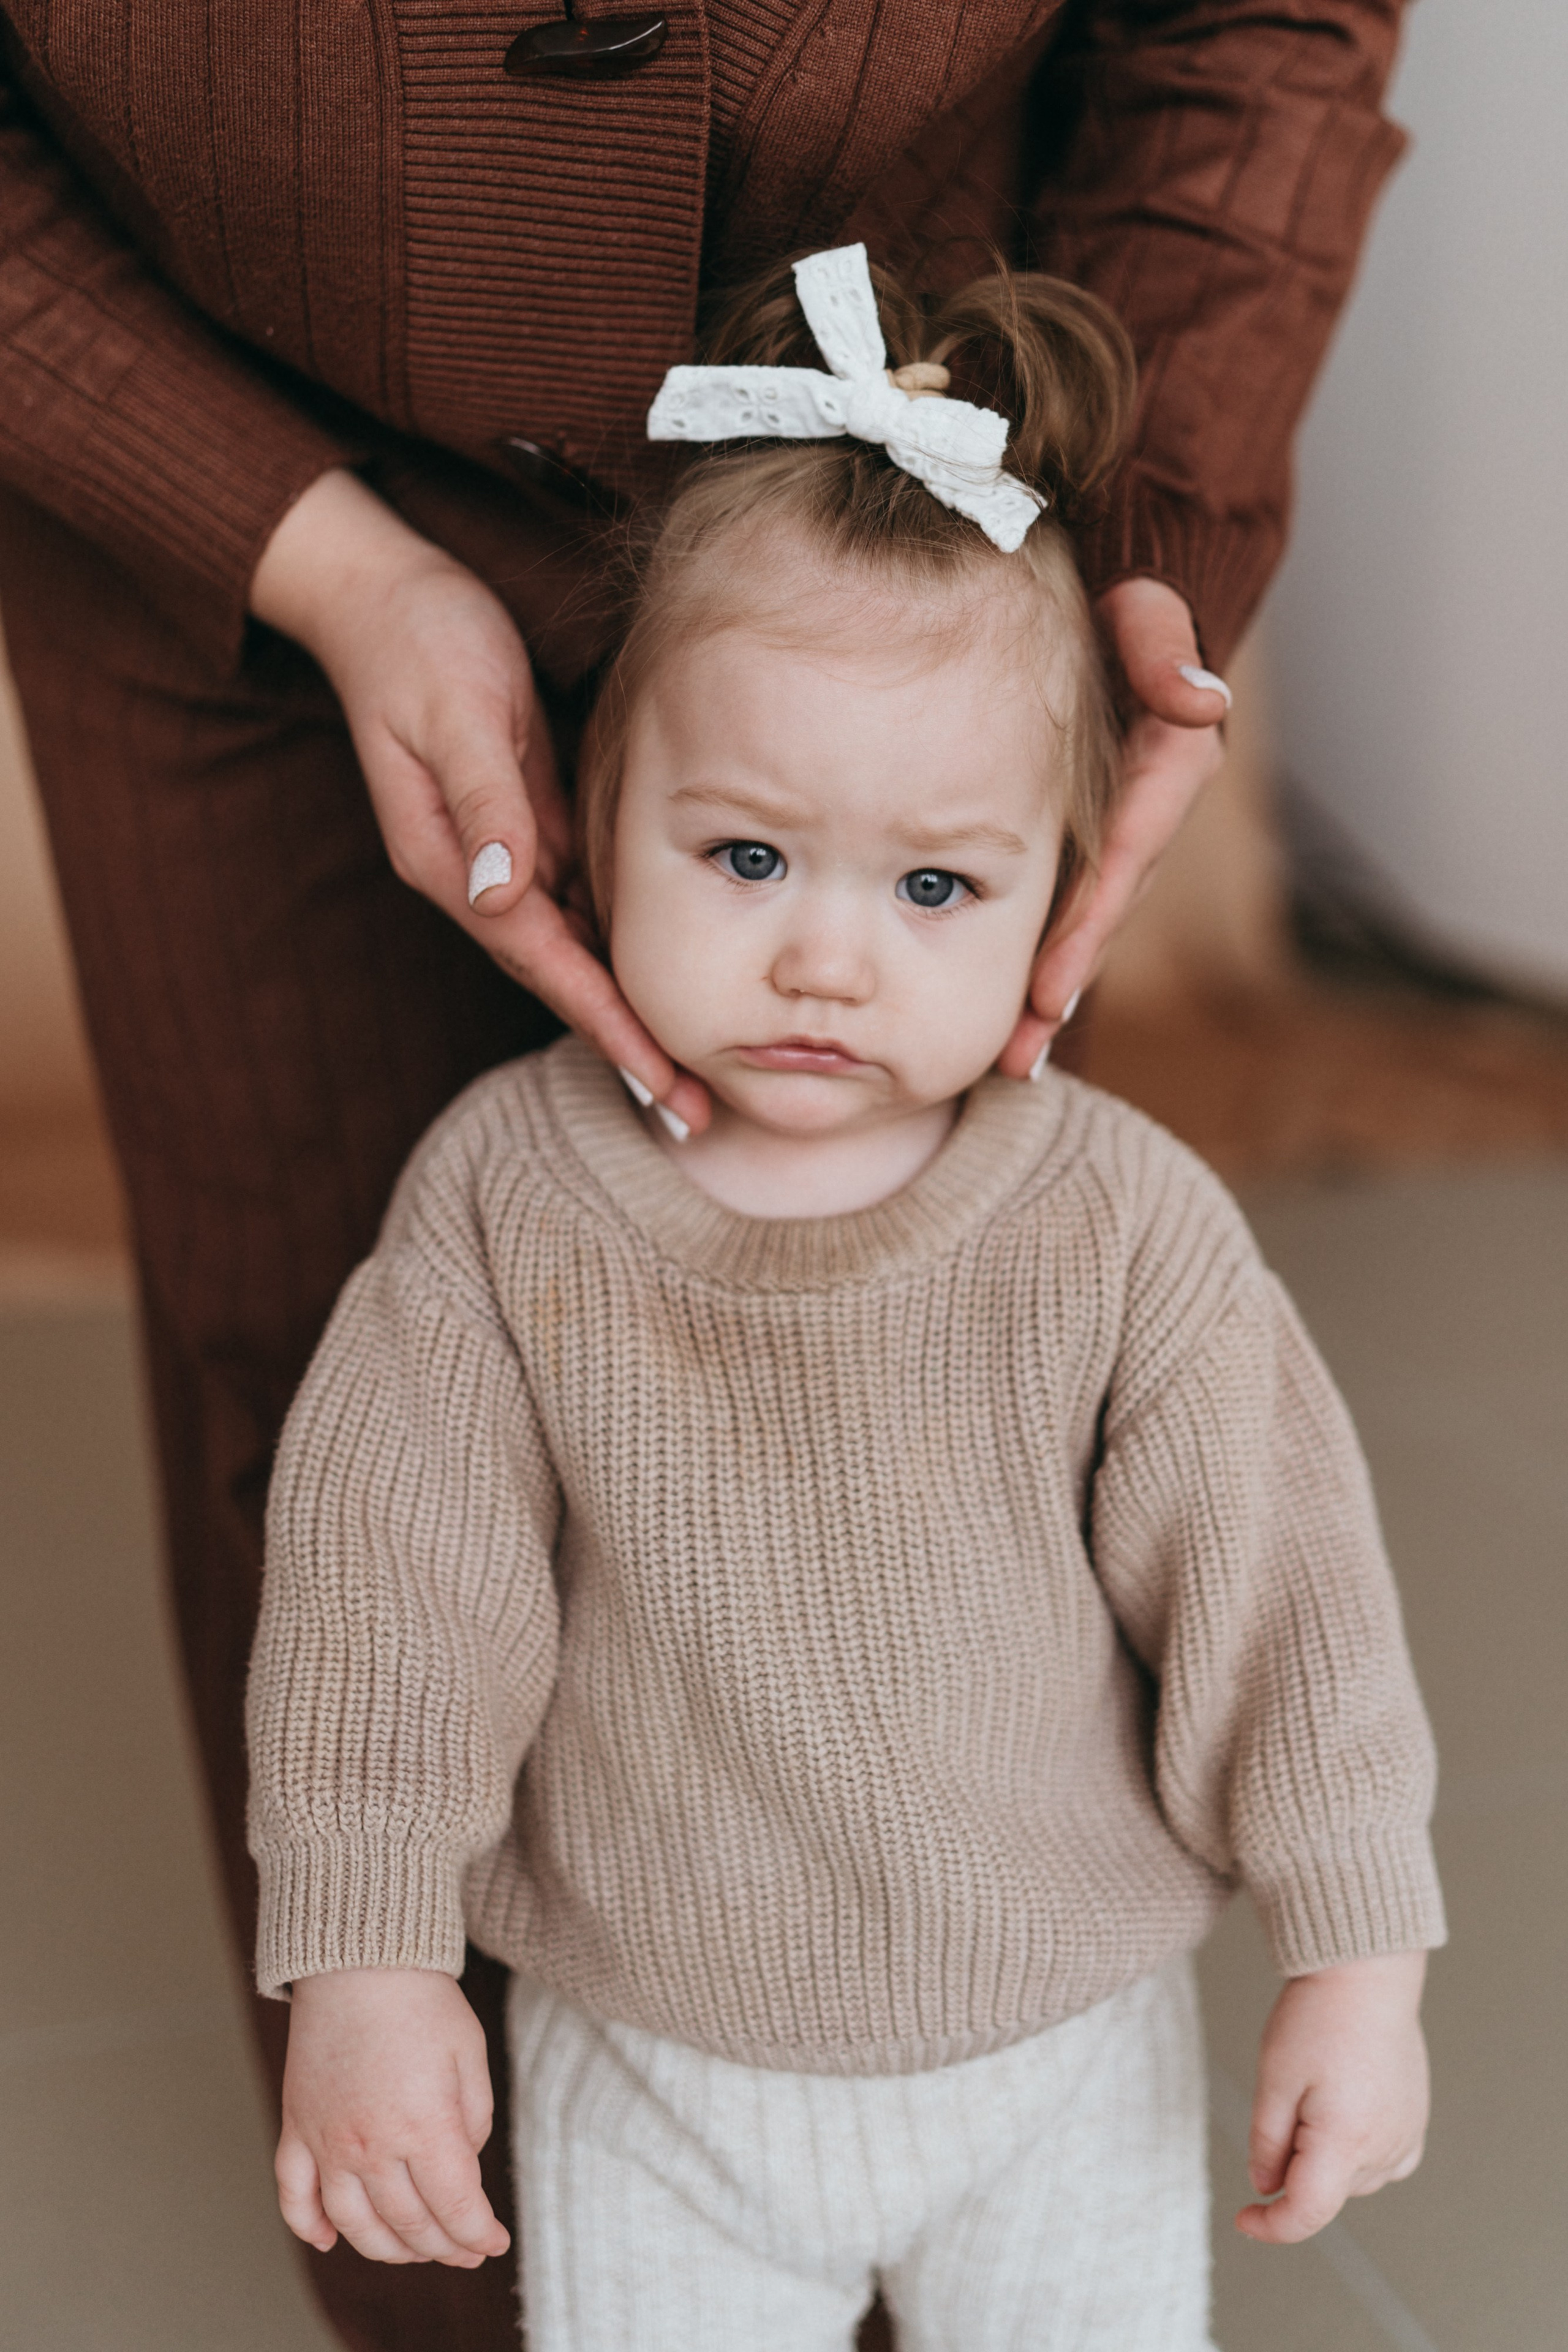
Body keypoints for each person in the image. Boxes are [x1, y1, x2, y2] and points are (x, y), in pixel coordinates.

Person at [0, 9, 1414, 2343]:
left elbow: (1291, 1609)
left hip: (1054, 2063)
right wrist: (363, 1966)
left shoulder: (1125, 1232)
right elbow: (375, 1606)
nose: (829, 961)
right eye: (744, 851)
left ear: (1068, 862)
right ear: (587, 792)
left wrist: (1356, 1952)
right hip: (646, 2075)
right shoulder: (493, 1212)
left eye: (939, 889)